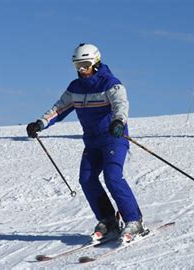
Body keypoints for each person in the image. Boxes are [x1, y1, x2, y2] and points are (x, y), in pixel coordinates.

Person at [26, 43, 144, 243]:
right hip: (92, 142)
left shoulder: (111, 83)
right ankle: (108, 220)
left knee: (113, 177)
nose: (82, 70)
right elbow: (59, 108)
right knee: (87, 179)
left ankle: (134, 221)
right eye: (78, 65)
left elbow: (120, 105)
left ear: (96, 63)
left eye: (85, 64)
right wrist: (40, 123)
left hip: (113, 138)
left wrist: (118, 121)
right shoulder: (75, 88)